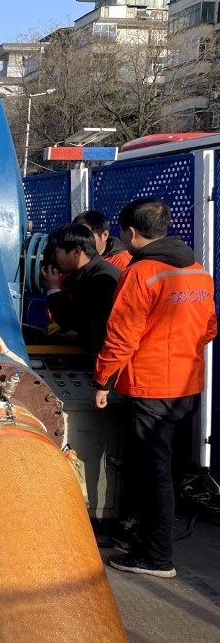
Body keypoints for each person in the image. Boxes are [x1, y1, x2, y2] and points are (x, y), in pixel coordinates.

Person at [93, 198, 216, 578]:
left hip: (150, 388)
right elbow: (209, 328)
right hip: (187, 384)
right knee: (168, 467)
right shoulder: (198, 271)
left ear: (131, 232)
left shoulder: (141, 272)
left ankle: (156, 557)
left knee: (152, 473)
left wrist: (102, 381)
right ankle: (145, 537)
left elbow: (122, 336)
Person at [40, 223, 121, 360]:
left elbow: (74, 320)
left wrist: (53, 290)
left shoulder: (99, 280)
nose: (53, 260)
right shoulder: (94, 272)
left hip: (107, 358)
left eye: (56, 253)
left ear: (76, 252)